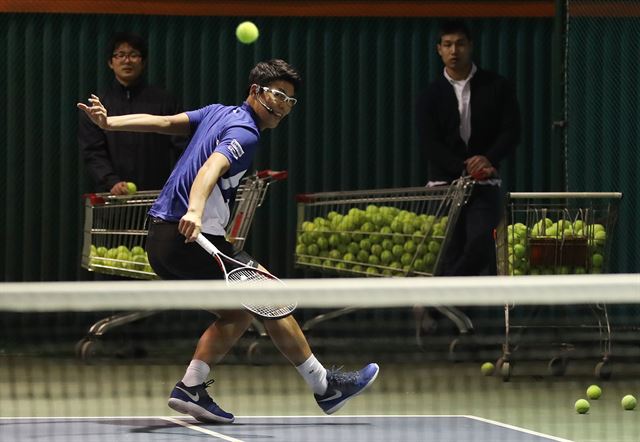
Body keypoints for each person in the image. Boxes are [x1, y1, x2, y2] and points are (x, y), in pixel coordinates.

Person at [78, 59, 379, 423]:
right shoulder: (245, 133)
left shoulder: (217, 112)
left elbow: (165, 124)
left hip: (163, 237)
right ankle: (324, 386)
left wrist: (111, 123)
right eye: (277, 95)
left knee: (236, 313)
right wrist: (194, 209)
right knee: (270, 296)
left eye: (290, 100)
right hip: (189, 236)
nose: (283, 105)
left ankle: (191, 387)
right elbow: (210, 168)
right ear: (255, 92)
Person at [415, 19, 521, 276]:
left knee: (481, 243)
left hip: (484, 184)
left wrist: (487, 159)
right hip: (444, 188)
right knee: (448, 253)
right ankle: (454, 315)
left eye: (460, 44)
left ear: (470, 46)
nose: (454, 51)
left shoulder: (497, 86)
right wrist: (463, 166)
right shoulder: (430, 95)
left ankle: (434, 303)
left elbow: (511, 131)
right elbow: (429, 143)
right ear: (438, 49)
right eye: (448, 44)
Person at [79, 32, 187, 195]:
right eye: (120, 55)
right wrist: (111, 181)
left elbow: (183, 145)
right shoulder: (97, 106)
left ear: (143, 62)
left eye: (133, 55)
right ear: (110, 62)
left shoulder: (165, 101)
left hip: (156, 194)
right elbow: (93, 151)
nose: (127, 60)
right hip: (112, 197)